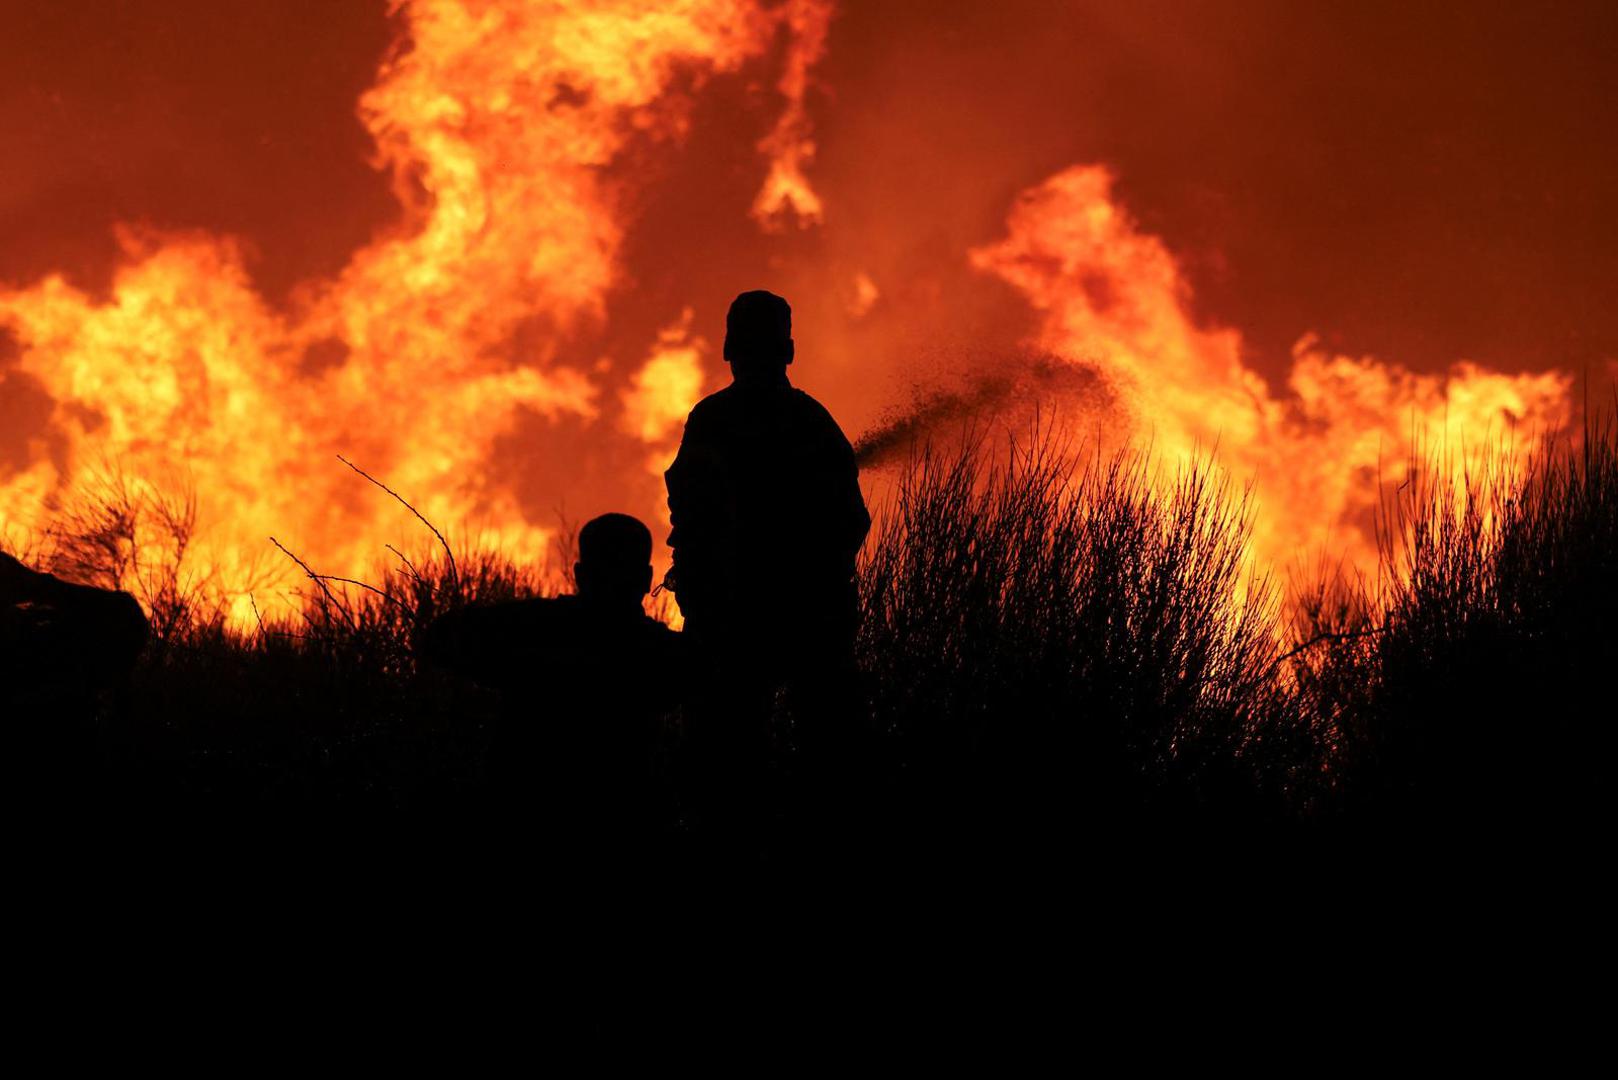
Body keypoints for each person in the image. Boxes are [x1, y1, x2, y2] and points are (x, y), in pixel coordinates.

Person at [663, 290, 870, 785]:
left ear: (727, 350)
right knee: (829, 756)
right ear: (790, 351)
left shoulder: (711, 420)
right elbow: (851, 521)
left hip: (736, 619)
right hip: (804, 618)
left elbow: (687, 508)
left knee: (723, 759)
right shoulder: (813, 422)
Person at [416, 513, 686, 848]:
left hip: (523, 824)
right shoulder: (661, 653)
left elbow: (440, 638)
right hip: (620, 828)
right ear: (646, 579)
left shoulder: (529, 625)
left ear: (580, 575)